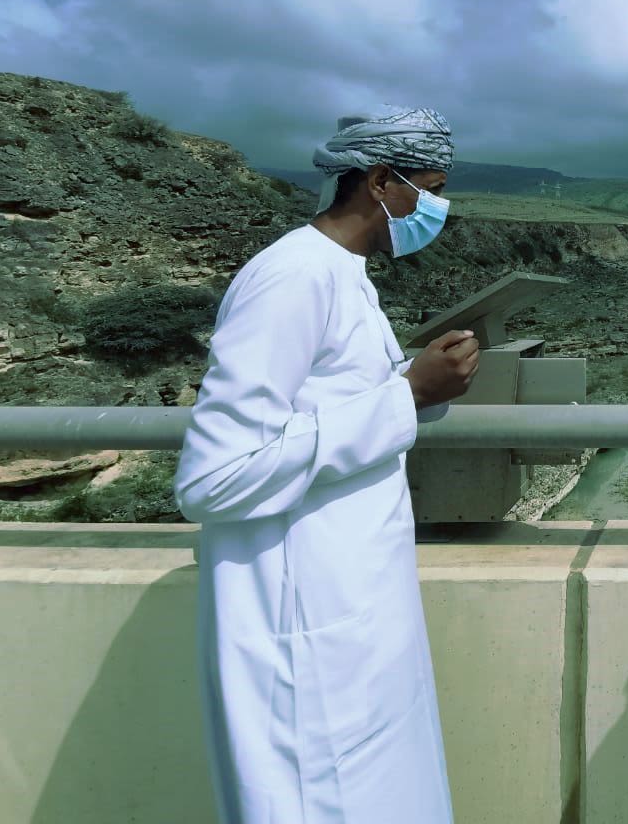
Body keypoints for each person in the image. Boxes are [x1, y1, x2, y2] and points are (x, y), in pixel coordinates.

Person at [175, 105, 478, 824]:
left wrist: (414, 386)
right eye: (427, 188)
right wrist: (405, 397)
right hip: (304, 623)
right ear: (379, 180)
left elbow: (326, 408)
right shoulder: (292, 279)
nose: (435, 206)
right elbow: (213, 477)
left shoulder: (344, 275)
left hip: (351, 612)